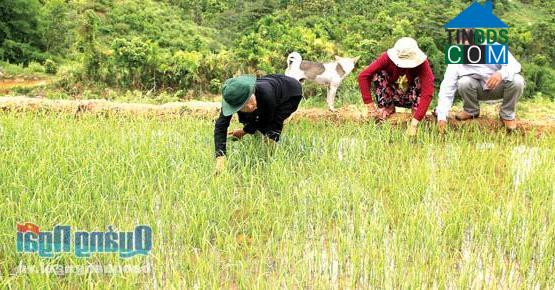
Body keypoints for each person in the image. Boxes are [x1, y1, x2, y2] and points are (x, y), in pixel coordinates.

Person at [214, 74, 303, 173]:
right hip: (271, 84)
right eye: (244, 105)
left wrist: (244, 131)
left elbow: (265, 120)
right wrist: (220, 157)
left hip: (291, 92)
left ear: (252, 91)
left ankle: (269, 159)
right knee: (248, 117)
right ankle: (257, 138)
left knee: (272, 125)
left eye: (250, 101)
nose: (250, 105)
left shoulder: (266, 95)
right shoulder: (231, 97)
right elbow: (220, 126)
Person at [435, 36, 524, 132]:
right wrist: (442, 118)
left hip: (499, 88)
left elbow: (515, 65)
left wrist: (500, 74)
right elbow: (447, 88)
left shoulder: (492, 47)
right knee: (464, 82)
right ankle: (471, 110)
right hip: (476, 90)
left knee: (517, 81)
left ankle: (507, 115)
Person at [358, 37, 435, 136]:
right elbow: (363, 76)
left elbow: (428, 92)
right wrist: (371, 107)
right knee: (378, 75)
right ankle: (387, 107)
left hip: (411, 97)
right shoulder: (387, 58)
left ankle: (415, 113)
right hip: (393, 95)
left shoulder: (422, 64)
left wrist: (414, 124)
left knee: (420, 80)